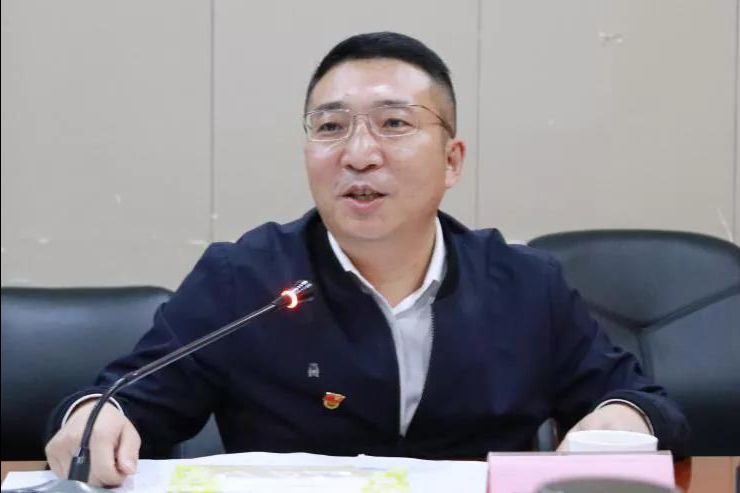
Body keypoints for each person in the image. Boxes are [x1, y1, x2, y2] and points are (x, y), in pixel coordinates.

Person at [44, 31, 690, 487]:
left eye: (394, 124)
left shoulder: (524, 285)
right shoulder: (244, 279)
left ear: (452, 160)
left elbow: (650, 407)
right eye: (330, 127)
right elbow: (114, 402)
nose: (358, 154)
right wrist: (93, 420)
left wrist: (623, 416)